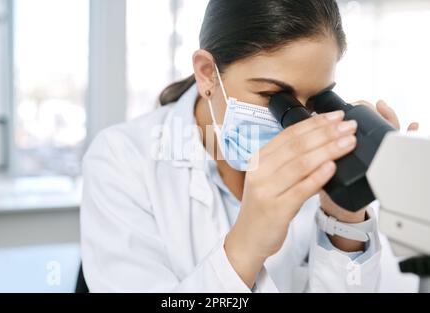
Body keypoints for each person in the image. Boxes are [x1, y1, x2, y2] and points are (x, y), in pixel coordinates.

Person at [81, 0, 419, 292]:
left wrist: (343, 215)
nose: (296, 123)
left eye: (316, 99)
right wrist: (246, 245)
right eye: (274, 97)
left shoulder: (320, 164)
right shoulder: (121, 159)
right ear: (207, 73)